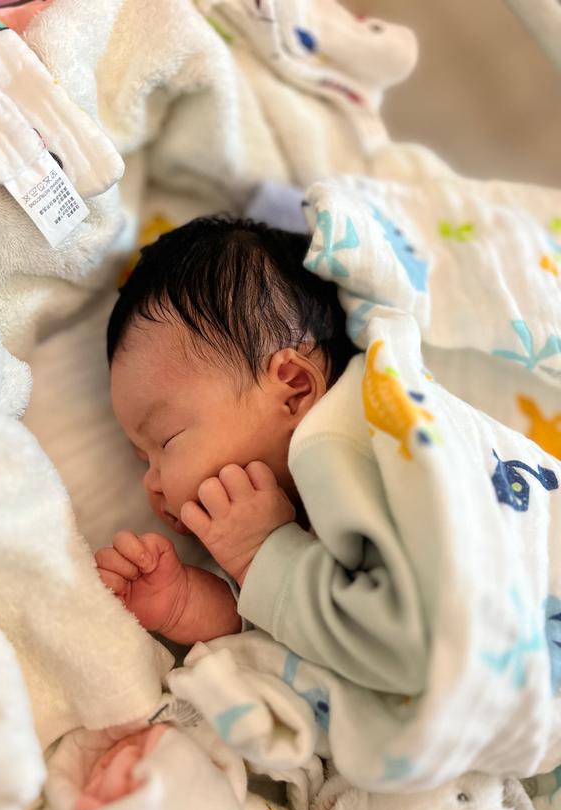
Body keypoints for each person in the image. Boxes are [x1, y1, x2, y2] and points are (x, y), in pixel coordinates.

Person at [96, 216, 424, 693]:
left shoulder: (369, 447)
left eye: (166, 441)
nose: (153, 483)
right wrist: (184, 602)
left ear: (293, 389)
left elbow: (403, 641)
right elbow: (292, 638)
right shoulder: (286, 521)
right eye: (143, 461)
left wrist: (260, 555)